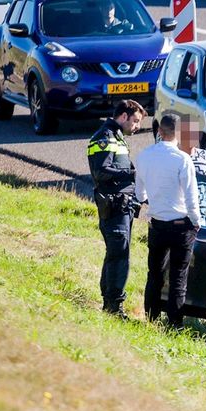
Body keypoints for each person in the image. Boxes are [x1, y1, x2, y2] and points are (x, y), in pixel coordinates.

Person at [135, 113, 204, 328]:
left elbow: (139, 194)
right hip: (181, 225)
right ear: (179, 134)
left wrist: (156, 200)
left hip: (156, 223)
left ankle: (151, 317)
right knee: (178, 277)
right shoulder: (183, 159)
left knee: (154, 273)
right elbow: (192, 198)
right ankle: (174, 323)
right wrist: (196, 221)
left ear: (159, 131)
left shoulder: (144, 156)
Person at [88, 99, 145, 319]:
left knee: (116, 254)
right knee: (120, 255)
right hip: (113, 206)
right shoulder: (103, 138)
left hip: (123, 206)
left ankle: (109, 301)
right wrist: (132, 174)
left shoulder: (118, 138)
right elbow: (100, 172)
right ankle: (114, 306)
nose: (137, 126)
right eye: (135, 121)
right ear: (123, 116)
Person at [178, 116, 206, 226]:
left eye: (195, 132)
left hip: (201, 222)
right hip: (179, 220)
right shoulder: (175, 157)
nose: (192, 136)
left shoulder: (205, 156)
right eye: (187, 132)